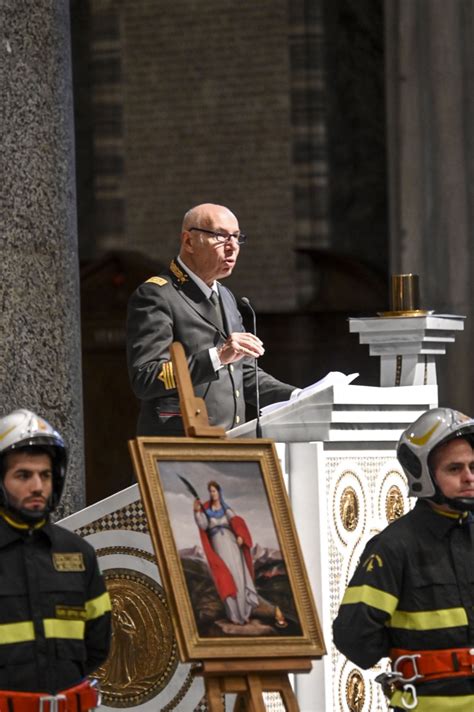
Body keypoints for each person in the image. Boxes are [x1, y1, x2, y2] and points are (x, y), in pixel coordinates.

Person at [333, 407, 474, 710]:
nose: (469, 477)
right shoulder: (394, 547)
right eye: (454, 469)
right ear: (423, 473)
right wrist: (412, 659)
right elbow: (353, 635)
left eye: (473, 467)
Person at [126, 202, 297, 435]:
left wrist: (299, 397)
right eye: (221, 236)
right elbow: (145, 378)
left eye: (237, 237)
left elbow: (245, 374)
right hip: (181, 447)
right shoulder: (157, 294)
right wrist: (216, 357)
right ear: (189, 242)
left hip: (231, 444)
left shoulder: (226, 296)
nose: (233, 246)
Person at [0, 408, 112, 705]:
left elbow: (97, 645)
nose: (37, 486)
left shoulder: (79, 554)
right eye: (23, 475)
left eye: (45, 475)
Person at [193, 480, 258, 625]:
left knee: (239, 576)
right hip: (219, 547)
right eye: (210, 491)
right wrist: (197, 511)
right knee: (226, 577)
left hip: (232, 544)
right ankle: (234, 615)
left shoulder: (226, 509)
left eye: (214, 491)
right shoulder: (205, 511)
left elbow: (237, 523)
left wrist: (240, 535)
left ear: (219, 492)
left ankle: (244, 613)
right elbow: (203, 525)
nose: (212, 493)